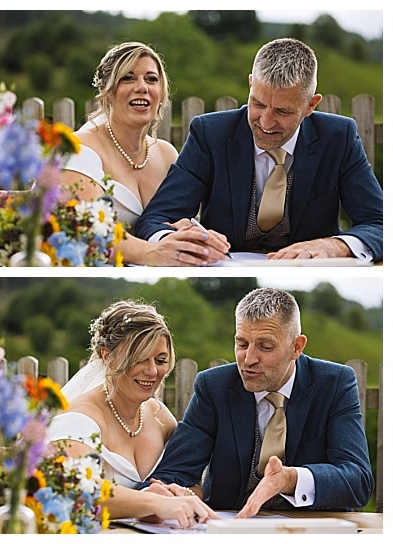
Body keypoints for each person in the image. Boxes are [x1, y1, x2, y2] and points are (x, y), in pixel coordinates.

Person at [134, 38, 382, 262]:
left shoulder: (339, 137)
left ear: (310, 105)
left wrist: (334, 246)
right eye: (258, 104)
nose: (265, 122)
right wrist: (174, 241)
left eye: (282, 111)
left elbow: (380, 223)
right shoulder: (210, 133)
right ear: (251, 84)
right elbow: (155, 219)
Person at [144, 287, 374, 516]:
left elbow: (358, 480)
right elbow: (174, 472)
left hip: (313, 530)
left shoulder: (334, 384)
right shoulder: (214, 386)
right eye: (242, 344)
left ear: (297, 347)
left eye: (265, 347)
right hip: (230, 527)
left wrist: (290, 479)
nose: (249, 359)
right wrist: (173, 493)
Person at [47, 300, 217, 528]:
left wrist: (178, 493)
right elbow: (76, 490)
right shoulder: (77, 419)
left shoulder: (159, 416)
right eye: (138, 359)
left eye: (161, 360)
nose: (152, 371)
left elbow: (193, 483)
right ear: (107, 356)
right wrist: (150, 501)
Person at [60, 42, 228, 266]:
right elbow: (91, 230)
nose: (142, 87)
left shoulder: (167, 154)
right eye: (128, 78)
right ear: (105, 90)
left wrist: (186, 232)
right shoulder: (77, 148)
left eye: (151, 79)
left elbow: (170, 219)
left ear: (161, 92)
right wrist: (152, 252)